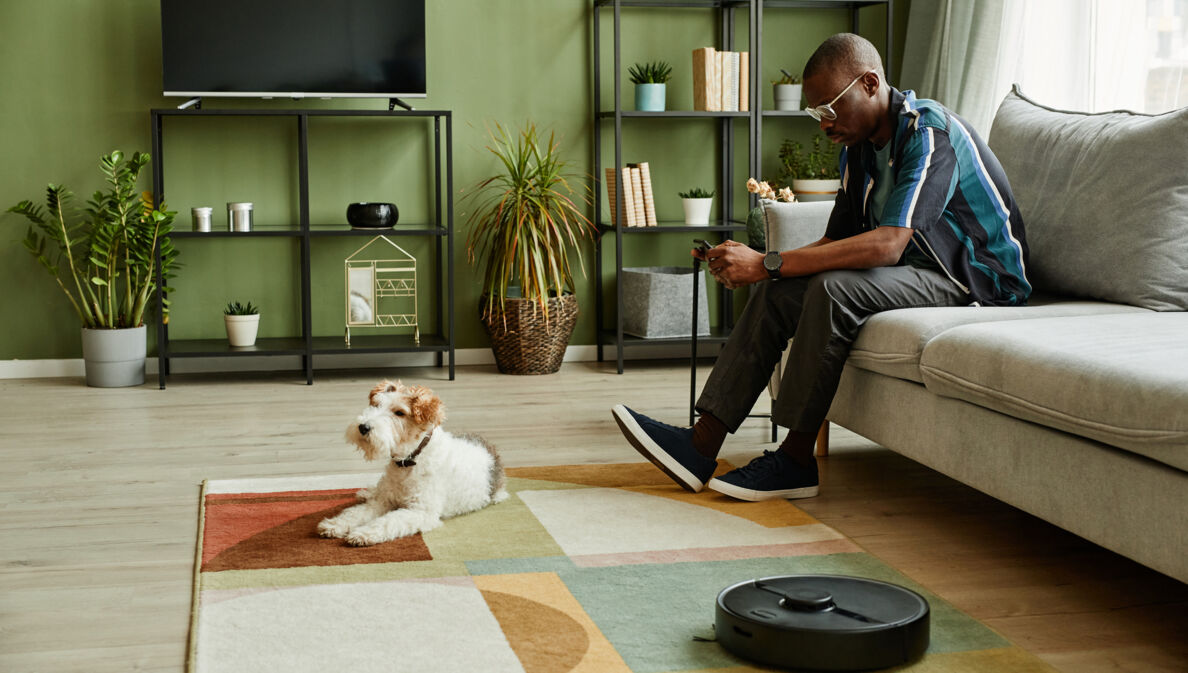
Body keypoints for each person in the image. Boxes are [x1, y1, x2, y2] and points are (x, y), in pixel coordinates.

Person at [612, 33, 1030, 502]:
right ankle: (700, 443)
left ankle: (794, 459)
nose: (824, 124)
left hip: (976, 277)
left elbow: (889, 244)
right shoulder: (858, 149)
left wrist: (768, 261)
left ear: (870, 83)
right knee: (780, 289)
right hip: (917, 269)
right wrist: (765, 271)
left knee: (832, 288)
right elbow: (837, 239)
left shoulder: (929, 134)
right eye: (816, 114)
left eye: (830, 107)